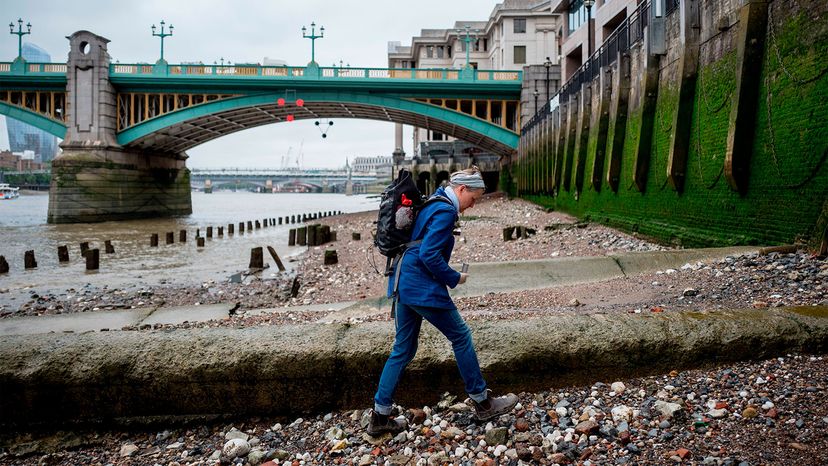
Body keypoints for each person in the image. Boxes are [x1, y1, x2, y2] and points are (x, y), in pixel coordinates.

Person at [368, 166, 518, 436]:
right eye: (473, 199)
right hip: (419, 285)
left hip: (402, 281)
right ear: (462, 189)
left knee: (403, 349)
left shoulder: (434, 201)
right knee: (461, 336)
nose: (471, 206)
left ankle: (379, 417)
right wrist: (454, 277)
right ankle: (483, 402)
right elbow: (428, 254)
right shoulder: (446, 211)